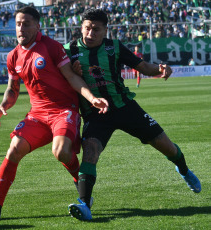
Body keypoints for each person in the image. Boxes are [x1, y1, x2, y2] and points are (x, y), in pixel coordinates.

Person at [0, 6, 109, 222]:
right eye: (18, 24)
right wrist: (3, 106)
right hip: (38, 115)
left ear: (37, 25)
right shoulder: (13, 56)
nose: (21, 28)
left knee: (61, 151)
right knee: (14, 149)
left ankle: (81, 187)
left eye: (26, 24)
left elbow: (71, 77)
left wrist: (91, 99)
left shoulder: (51, 47)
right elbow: (12, 88)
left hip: (63, 110)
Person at [63, 9, 201, 221]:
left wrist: (160, 69)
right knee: (90, 152)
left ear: (105, 30)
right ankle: (84, 203)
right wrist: (72, 74)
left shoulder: (114, 47)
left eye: (96, 29)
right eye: (87, 28)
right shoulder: (68, 50)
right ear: (81, 27)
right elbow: (59, 79)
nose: (90, 33)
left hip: (125, 107)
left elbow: (144, 67)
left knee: (165, 145)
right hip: (95, 113)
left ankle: (183, 170)